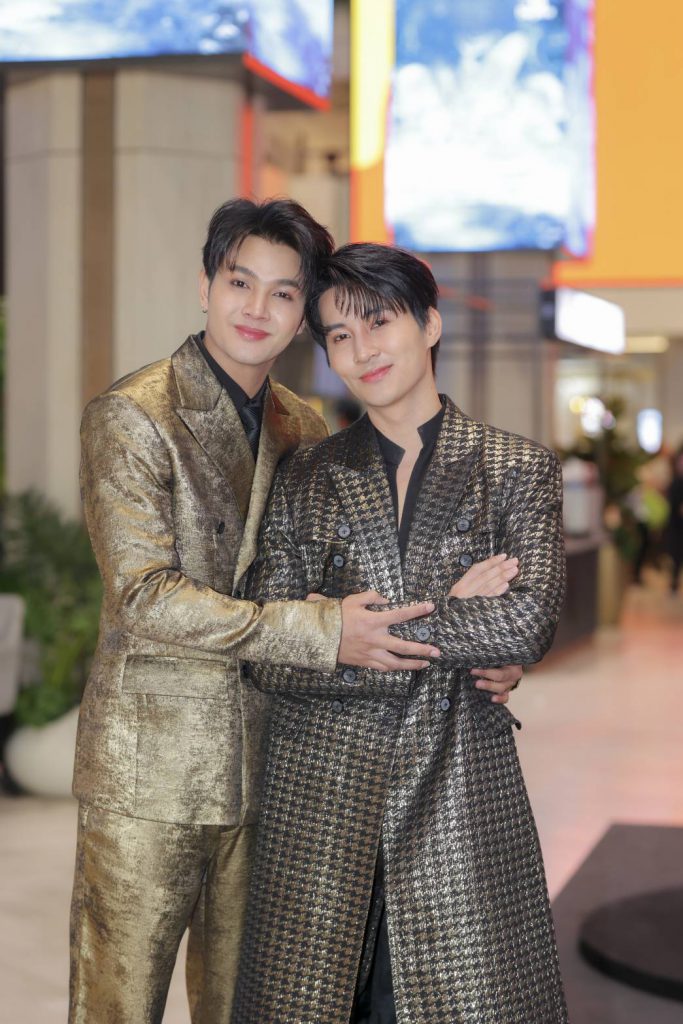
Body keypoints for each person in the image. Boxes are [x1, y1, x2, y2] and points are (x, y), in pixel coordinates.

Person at [69, 200, 449, 1024]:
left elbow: (348, 581)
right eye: (240, 283)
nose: (256, 308)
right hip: (152, 768)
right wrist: (318, 630)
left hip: (273, 763)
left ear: (302, 314)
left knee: (250, 1005)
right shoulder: (133, 414)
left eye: (283, 293)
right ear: (206, 285)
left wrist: (465, 626)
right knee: (116, 1005)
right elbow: (143, 596)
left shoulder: (300, 424)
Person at [232, 243, 568, 1024]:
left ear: (429, 324)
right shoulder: (305, 474)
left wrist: (338, 630)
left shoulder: (513, 468)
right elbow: (266, 651)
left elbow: (526, 620)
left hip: (458, 792)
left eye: (378, 322)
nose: (361, 350)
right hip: (316, 804)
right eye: (339, 336)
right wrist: (450, 611)